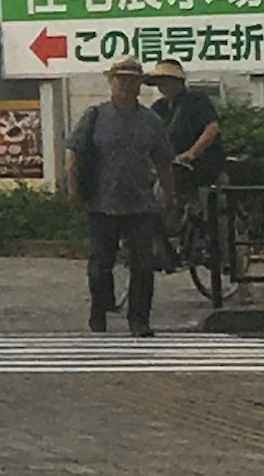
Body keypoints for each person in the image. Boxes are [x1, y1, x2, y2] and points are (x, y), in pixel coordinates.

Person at [71, 58, 184, 333]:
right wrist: (75, 191)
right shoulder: (95, 115)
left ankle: (139, 320)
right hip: (101, 201)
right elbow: (74, 154)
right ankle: (99, 312)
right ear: (111, 82)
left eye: (132, 80)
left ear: (140, 85)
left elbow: (163, 161)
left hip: (141, 203)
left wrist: (169, 195)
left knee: (143, 266)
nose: (126, 85)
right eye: (120, 79)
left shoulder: (150, 120)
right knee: (100, 264)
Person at [149, 60, 244, 299]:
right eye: (160, 81)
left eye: (167, 80)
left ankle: (238, 274)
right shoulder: (158, 109)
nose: (163, 85)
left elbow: (211, 128)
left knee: (218, 219)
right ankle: (166, 252)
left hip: (206, 169)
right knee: (157, 205)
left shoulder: (197, 102)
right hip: (174, 171)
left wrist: (193, 152)